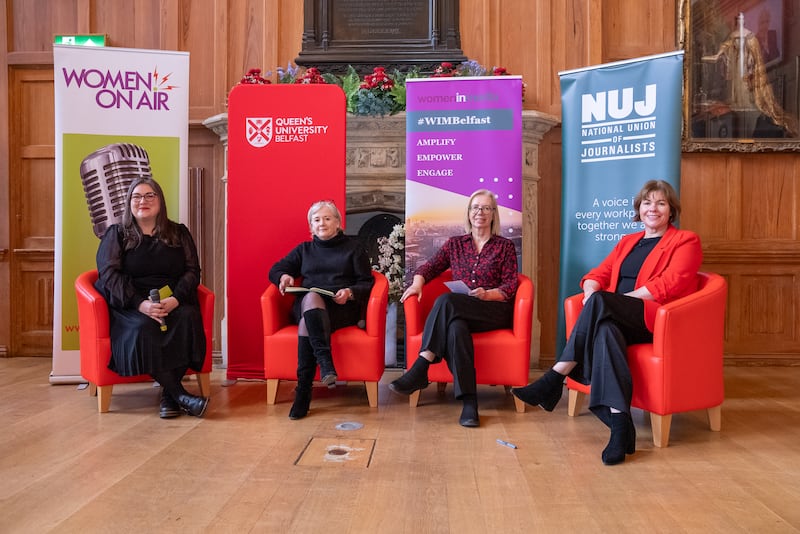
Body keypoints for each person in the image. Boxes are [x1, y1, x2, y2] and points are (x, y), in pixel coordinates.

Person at [512, 180, 702, 465]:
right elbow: (597, 274)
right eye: (648, 202)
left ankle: (555, 376)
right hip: (616, 316)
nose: (654, 208)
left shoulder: (685, 240)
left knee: (604, 304)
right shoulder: (628, 242)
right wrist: (591, 293)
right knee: (605, 330)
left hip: (654, 320)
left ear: (671, 211)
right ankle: (620, 427)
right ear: (639, 209)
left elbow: (670, 283)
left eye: (661, 203)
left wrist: (621, 300)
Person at [389, 189, 519, 428]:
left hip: (493, 311)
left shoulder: (505, 246)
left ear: (493, 214)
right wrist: (417, 284)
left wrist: (487, 294)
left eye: (486, 208)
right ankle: (470, 403)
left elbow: (510, 286)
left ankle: (421, 365)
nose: (480, 212)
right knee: (456, 328)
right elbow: (428, 268)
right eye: (475, 208)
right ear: (468, 213)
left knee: (446, 301)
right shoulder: (455, 244)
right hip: (462, 311)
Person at [95, 177, 209, 419]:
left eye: (149, 196)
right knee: (144, 326)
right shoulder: (117, 234)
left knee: (187, 317)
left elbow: (192, 271)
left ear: (160, 202)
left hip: (172, 300)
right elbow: (108, 274)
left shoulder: (178, 232)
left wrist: (176, 299)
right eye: (136, 196)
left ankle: (170, 394)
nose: (142, 201)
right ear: (129, 202)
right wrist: (141, 304)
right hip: (132, 303)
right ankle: (179, 396)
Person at [269, 200, 374, 420]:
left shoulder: (354, 249)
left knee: (308, 320)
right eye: (316, 220)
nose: (322, 223)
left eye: (327, 218)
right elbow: (276, 269)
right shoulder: (304, 249)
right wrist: (284, 276)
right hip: (308, 306)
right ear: (311, 226)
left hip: (339, 307)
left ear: (338, 222)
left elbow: (367, 282)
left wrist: (350, 292)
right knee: (311, 299)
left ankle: (304, 392)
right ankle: (324, 363)